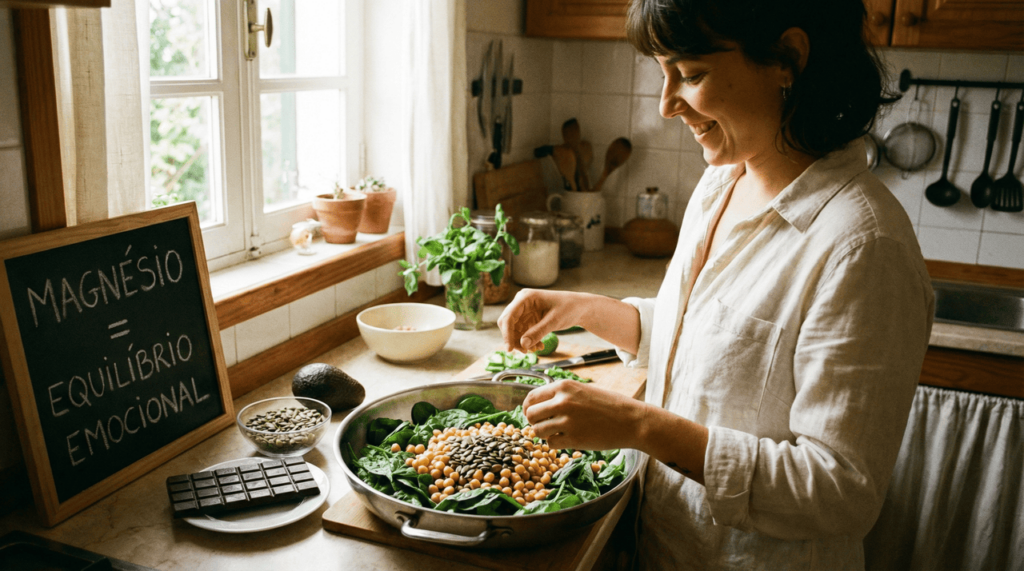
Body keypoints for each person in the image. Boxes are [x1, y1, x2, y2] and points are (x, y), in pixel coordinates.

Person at [497, 0, 934, 568]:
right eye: (663, 74)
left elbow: (839, 490)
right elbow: (722, 346)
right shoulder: (722, 182)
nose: (665, 105)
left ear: (788, 59)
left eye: (691, 74)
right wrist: (587, 308)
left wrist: (636, 424)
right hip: (670, 546)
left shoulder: (864, 247)